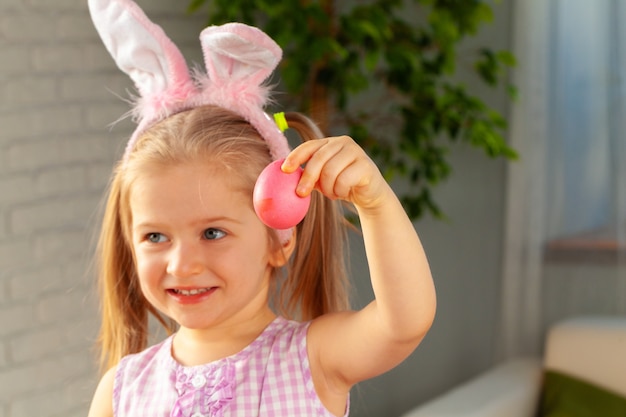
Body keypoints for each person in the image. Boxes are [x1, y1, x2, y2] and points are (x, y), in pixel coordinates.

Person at [87, 1, 436, 416]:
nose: (181, 265)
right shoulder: (122, 392)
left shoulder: (313, 360)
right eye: (155, 236)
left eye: (212, 233)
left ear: (279, 242)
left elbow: (404, 322)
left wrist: (375, 203)